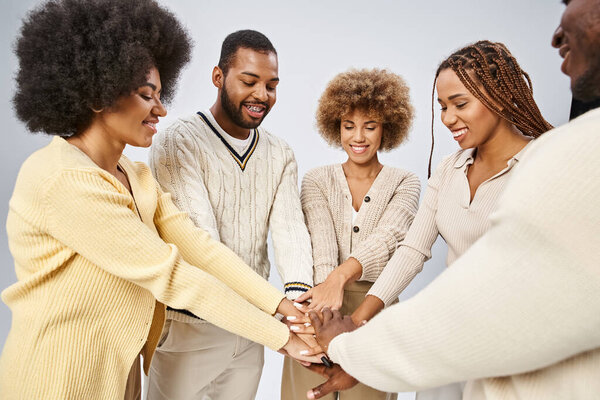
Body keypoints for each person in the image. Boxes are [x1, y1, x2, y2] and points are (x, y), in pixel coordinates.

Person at [0, 2, 319, 399]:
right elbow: (171, 275)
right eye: (146, 95)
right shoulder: (64, 179)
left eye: (160, 94)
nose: (161, 109)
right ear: (100, 94)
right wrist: (283, 338)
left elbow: (200, 248)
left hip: (120, 369)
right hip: (61, 376)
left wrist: (283, 307)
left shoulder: (135, 175)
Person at [308, 0, 600, 398]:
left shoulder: (543, 161)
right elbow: (412, 250)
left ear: (498, 97)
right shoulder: (448, 169)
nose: (447, 118)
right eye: (443, 106)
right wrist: (356, 331)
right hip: (450, 336)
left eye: (460, 104)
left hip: (512, 345)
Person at [146, 30, 315, 400]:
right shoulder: (178, 141)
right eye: (249, 81)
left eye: (271, 85)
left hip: (252, 330)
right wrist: (276, 316)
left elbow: (290, 230)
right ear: (218, 77)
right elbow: (199, 245)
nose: (262, 95)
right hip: (191, 326)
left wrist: (298, 303)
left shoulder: (280, 152)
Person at [282, 69, 420, 400]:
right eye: (348, 126)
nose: (358, 137)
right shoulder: (317, 180)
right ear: (336, 127)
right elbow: (322, 247)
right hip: (320, 302)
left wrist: (339, 279)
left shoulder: (405, 182)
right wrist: (321, 307)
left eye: (369, 126)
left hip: (375, 307)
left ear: (387, 128)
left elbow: (388, 241)